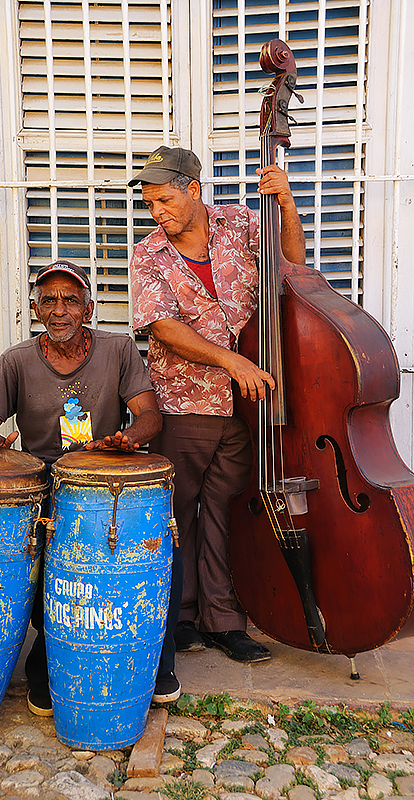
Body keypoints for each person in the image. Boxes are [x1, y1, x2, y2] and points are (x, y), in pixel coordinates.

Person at [0, 260, 180, 712]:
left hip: (102, 478)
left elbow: (150, 416)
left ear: (88, 307)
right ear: (36, 308)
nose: (59, 309)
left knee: (164, 555)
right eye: (49, 300)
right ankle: (45, 666)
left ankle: (157, 665)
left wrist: (129, 438)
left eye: (70, 299)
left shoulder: (118, 349)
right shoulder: (16, 360)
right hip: (43, 481)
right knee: (44, 564)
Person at [129, 145, 306, 663]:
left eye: (164, 200)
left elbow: (293, 265)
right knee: (177, 510)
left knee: (227, 512)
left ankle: (225, 621)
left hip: (250, 405)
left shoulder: (242, 224)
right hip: (185, 400)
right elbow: (161, 325)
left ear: (194, 190)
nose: (157, 212)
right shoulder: (149, 254)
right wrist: (231, 362)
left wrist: (289, 206)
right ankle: (179, 617)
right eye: (150, 203)